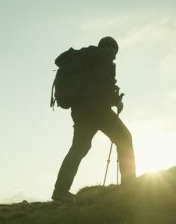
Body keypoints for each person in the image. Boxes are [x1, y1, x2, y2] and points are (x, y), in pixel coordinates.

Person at [52, 36, 136, 202]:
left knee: (79, 148)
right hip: (97, 110)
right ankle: (130, 186)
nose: (114, 57)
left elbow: (96, 85)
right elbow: (104, 87)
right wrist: (116, 101)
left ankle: (60, 190)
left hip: (81, 111)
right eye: (114, 52)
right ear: (109, 48)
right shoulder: (103, 57)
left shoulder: (85, 57)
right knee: (125, 139)